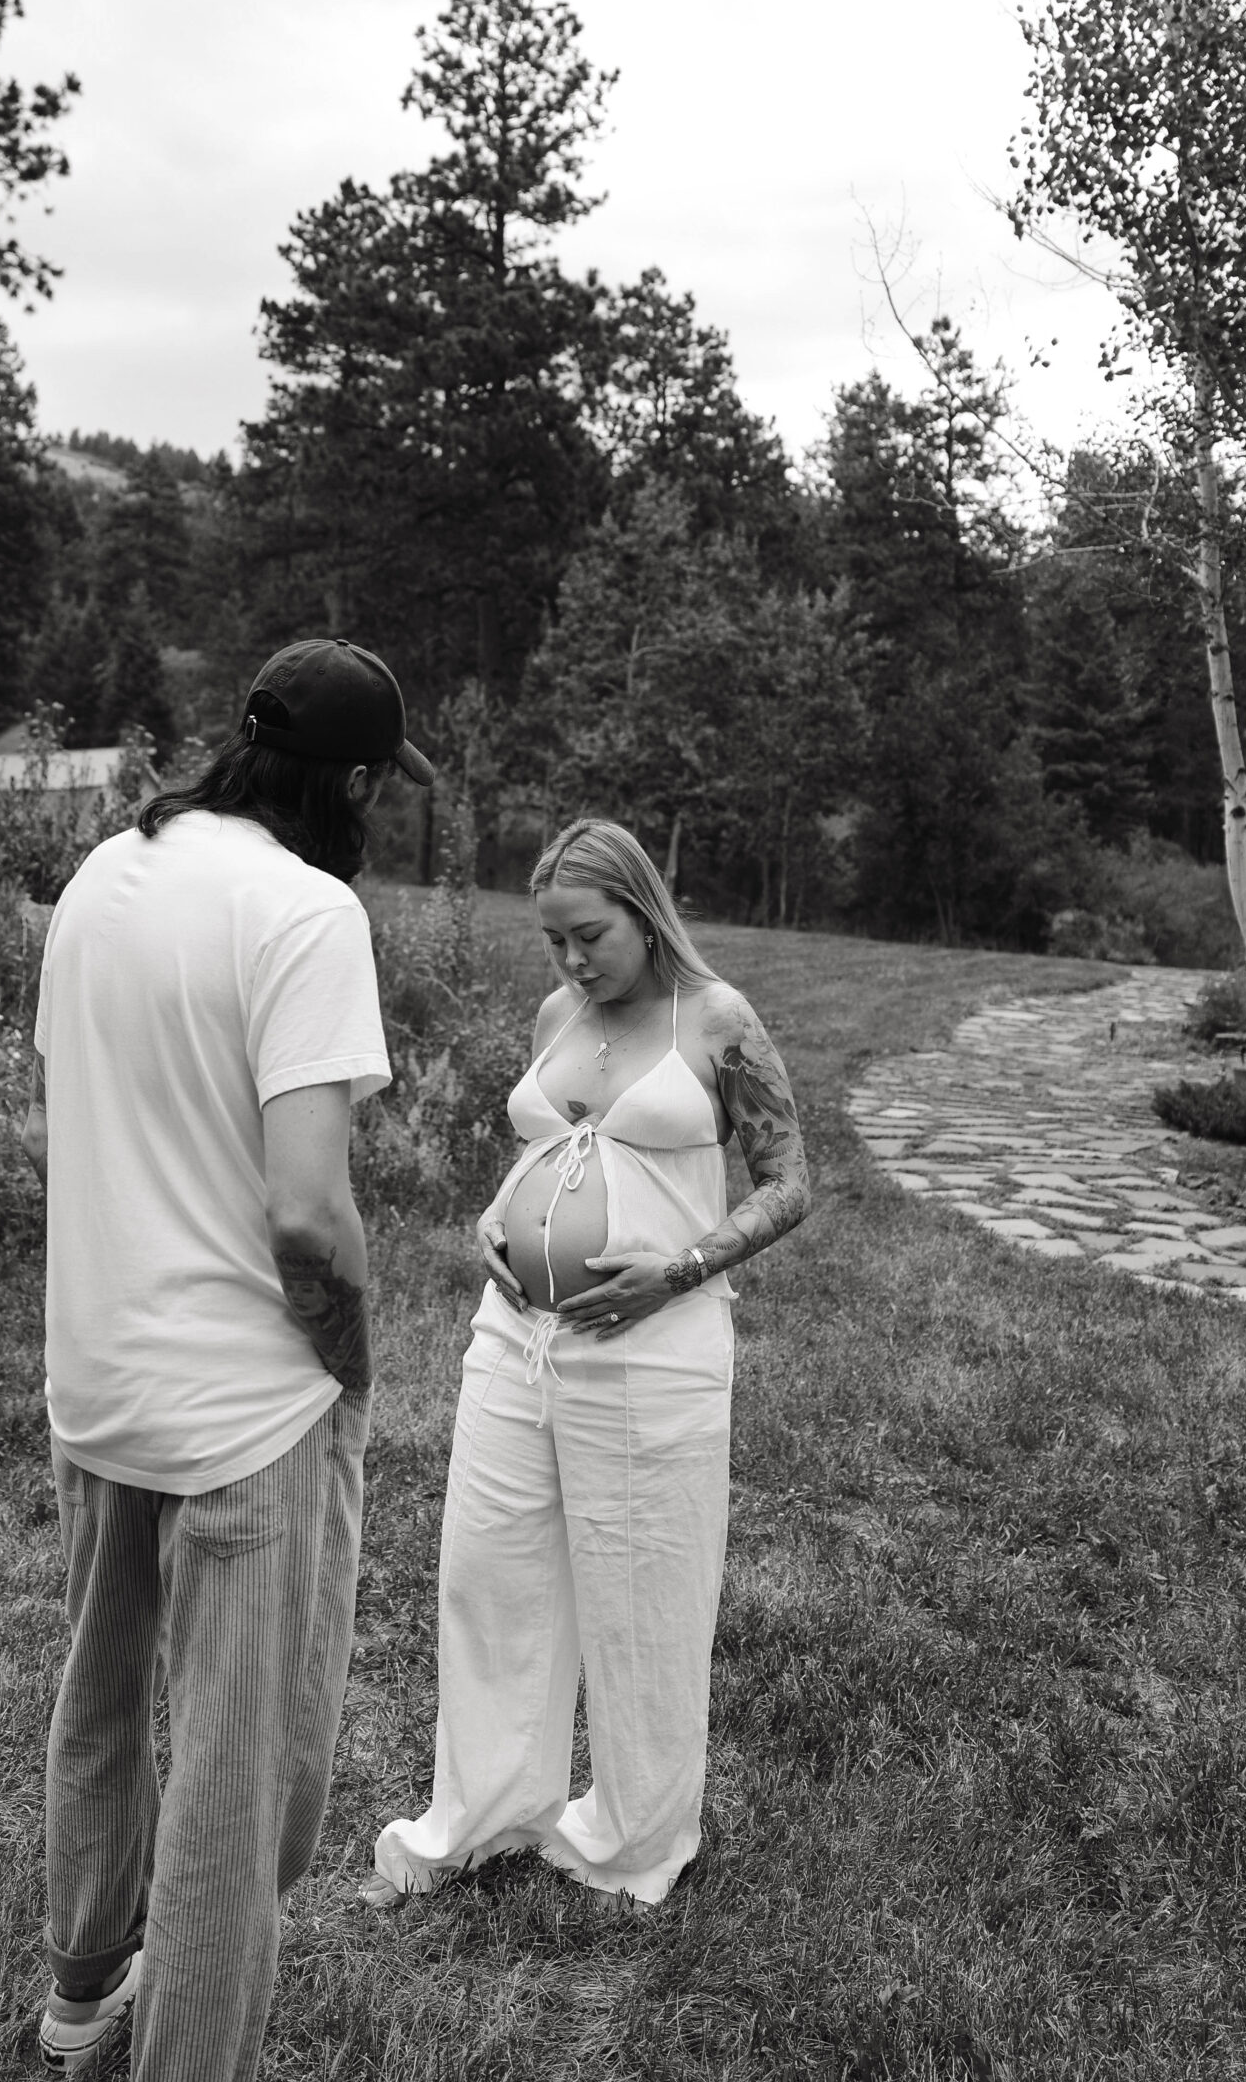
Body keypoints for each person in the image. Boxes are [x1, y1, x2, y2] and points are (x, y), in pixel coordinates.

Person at [24, 637, 433, 2081]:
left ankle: (80, 1999)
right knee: (234, 1784)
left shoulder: (100, 877)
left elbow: (83, 1111)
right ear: (356, 782)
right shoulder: (304, 911)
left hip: (96, 1380)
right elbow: (308, 1214)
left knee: (99, 1698)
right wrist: (353, 1358)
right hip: (243, 1409)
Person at [372, 816, 809, 1909]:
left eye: (589, 935)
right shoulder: (557, 1012)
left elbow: (789, 1181)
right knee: (488, 1576)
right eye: (554, 939)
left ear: (644, 911)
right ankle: (480, 1815)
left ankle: (632, 1836)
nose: (570, 961)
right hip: (513, 1334)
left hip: (649, 1351)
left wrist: (680, 1266)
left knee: (642, 1598)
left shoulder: (718, 1021)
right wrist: (494, 1214)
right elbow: (553, 1145)